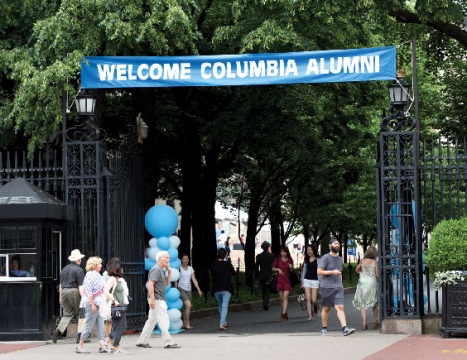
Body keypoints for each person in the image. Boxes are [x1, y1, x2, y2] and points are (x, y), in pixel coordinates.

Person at [136, 251, 179, 349]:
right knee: (164, 320)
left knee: (151, 321)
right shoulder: (156, 269)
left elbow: (166, 284)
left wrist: (169, 272)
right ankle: (168, 342)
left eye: (168, 258)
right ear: (160, 258)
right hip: (157, 299)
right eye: (166, 258)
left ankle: (142, 341)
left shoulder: (160, 270)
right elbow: (150, 284)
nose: (168, 260)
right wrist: (152, 299)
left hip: (158, 298)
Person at [317, 237, 355, 336]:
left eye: (338, 244)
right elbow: (319, 271)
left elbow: (339, 273)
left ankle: (345, 328)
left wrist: (341, 283)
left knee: (340, 307)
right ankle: (324, 328)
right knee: (326, 308)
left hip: (338, 286)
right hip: (327, 286)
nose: (337, 245)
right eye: (335, 244)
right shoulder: (325, 257)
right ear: (330, 246)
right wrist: (331, 272)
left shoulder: (340, 259)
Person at [76, 256, 111, 354]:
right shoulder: (91, 275)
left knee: (100, 324)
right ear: (94, 265)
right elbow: (89, 290)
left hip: (98, 303)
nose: (101, 265)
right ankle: (80, 345)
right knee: (89, 324)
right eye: (99, 264)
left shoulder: (96, 274)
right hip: (93, 303)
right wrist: (92, 304)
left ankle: (102, 345)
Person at [53, 249, 86, 343]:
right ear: (78, 260)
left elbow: (60, 285)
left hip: (64, 292)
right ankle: (80, 336)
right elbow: (80, 286)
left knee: (67, 313)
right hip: (74, 291)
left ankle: (58, 331)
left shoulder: (64, 269)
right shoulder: (79, 270)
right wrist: (84, 298)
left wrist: (60, 298)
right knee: (79, 313)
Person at [104, 257, 130, 355]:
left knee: (123, 326)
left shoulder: (119, 279)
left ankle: (108, 340)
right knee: (118, 327)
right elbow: (106, 291)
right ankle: (116, 346)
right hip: (116, 306)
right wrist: (114, 300)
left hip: (122, 305)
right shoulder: (112, 279)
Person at [353, 246, 379, 330]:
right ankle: (375, 320)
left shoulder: (362, 261)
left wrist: (362, 272)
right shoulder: (375, 262)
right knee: (374, 302)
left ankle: (364, 321)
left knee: (363, 303)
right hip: (372, 282)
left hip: (362, 282)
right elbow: (377, 274)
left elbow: (357, 270)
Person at [211, 248, 236, 331]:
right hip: (226, 288)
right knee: (224, 306)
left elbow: (212, 276)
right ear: (225, 255)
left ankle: (224, 322)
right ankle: (221, 324)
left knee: (220, 306)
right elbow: (234, 273)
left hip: (217, 288)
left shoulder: (214, 264)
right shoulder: (228, 264)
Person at [175, 254, 203, 330]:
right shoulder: (179, 268)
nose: (186, 260)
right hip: (181, 288)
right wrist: (176, 290)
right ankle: (187, 323)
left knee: (187, 308)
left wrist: (198, 289)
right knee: (188, 305)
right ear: (181, 260)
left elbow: (194, 279)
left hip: (189, 289)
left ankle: (185, 323)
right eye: (184, 259)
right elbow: (176, 280)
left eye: (187, 259)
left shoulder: (190, 268)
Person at [272, 245, 294, 321]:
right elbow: (272, 268)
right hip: (279, 280)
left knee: (285, 296)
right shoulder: (277, 259)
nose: (283, 253)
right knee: (281, 299)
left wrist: (291, 267)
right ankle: (284, 312)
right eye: (282, 252)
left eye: (284, 252)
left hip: (287, 280)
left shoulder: (289, 260)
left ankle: (283, 314)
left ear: (287, 252)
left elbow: (291, 271)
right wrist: (278, 269)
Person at [301, 244, 321, 320]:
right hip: (307, 280)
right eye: (308, 250)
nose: (309, 251)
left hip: (315, 280)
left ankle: (318, 308)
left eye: (311, 250)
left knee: (314, 299)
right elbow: (304, 271)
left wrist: (321, 279)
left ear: (314, 250)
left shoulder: (319, 259)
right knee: (308, 298)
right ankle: (310, 315)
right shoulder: (306, 259)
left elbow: (321, 270)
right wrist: (302, 282)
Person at [255, 241, 275, 310]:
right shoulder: (271, 256)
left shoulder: (259, 256)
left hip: (261, 275)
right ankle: (265, 304)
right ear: (268, 247)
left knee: (264, 289)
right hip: (269, 274)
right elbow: (274, 264)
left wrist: (256, 275)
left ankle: (265, 302)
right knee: (267, 289)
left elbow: (256, 266)